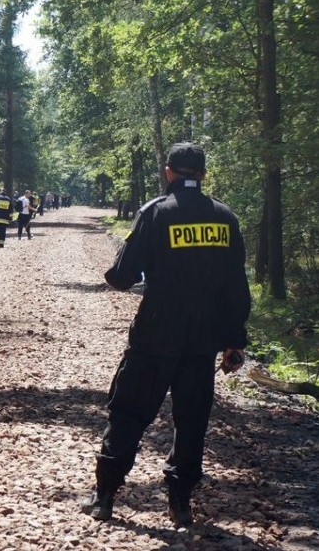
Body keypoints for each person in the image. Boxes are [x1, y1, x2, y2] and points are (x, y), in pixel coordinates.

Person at [80, 142, 251, 527]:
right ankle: (180, 504)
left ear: (169, 172)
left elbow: (122, 276)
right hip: (202, 341)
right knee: (191, 421)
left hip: (155, 335)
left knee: (128, 413)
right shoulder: (225, 218)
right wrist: (234, 340)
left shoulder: (155, 213)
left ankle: (104, 496)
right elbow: (236, 286)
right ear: (203, 174)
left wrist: (117, 276)